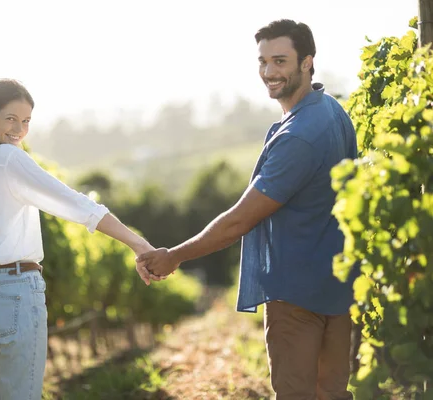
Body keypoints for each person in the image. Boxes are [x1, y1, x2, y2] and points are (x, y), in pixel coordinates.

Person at [138, 19, 358, 400]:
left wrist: (174, 255)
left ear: (307, 62)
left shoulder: (299, 136)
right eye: (263, 62)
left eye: (280, 61)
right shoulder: (332, 112)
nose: (269, 72)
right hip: (336, 287)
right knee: (332, 393)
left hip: (298, 295)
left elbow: (241, 218)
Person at [0, 79, 154, 400]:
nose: (19, 129)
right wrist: (138, 244)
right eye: (11, 119)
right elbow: (75, 204)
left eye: (27, 121)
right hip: (18, 295)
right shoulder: (8, 158)